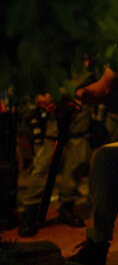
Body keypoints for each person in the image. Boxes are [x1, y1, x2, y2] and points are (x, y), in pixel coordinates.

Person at [18, 81, 93, 236]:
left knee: (76, 166)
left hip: (79, 122)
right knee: (42, 169)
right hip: (56, 123)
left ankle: (67, 208)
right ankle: (30, 214)